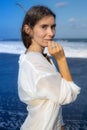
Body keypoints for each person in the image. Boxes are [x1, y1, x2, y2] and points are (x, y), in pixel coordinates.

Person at [18, 5, 80, 130]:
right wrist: (61, 59)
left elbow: (52, 100)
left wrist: (60, 125)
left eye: (53, 27)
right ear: (28, 29)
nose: (51, 33)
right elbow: (69, 95)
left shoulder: (37, 57)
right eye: (44, 27)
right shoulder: (36, 64)